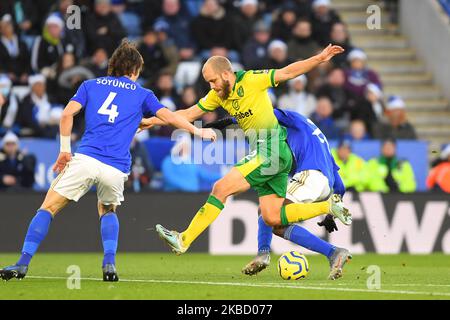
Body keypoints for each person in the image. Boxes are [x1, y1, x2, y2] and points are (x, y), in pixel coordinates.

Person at [0, 40, 216, 282]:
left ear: (113, 66)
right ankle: (109, 264)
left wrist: (64, 150)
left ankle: (22, 264)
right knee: (107, 209)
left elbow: (67, 114)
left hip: (86, 158)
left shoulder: (89, 85)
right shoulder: (143, 94)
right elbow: (170, 117)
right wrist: (198, 132)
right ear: (135, 70)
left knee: (48, 208)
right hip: (116, 167)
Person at [140, 45, 350, 261]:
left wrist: (319, 58)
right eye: (208, 83)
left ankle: (183, 240)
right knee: (271, 217)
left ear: (225, 73)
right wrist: (153, 121)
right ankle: (327, 209)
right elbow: (188, 113)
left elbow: (287, 72)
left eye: (213, 81)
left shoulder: (251, 80)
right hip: (271, 155)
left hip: (272, 149)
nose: (212, 86)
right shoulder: (217, 95)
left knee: (220, 188)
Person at [205, 108, 352, 280]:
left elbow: (260, 114)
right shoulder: (320, 141)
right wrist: (330, 216)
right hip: (324, 184)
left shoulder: (292, 117)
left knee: (273, 215)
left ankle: (332, 252)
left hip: (310, 175)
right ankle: (264, 254)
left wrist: (229, 121)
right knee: (269, 215)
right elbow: (340, 186)